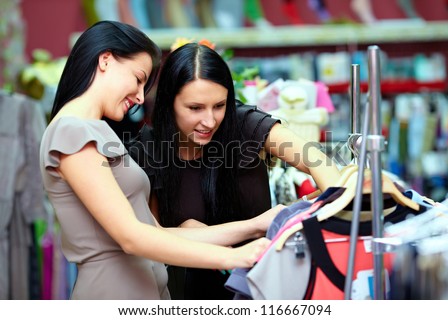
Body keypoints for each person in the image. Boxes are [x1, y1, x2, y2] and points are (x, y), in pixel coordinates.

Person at [39, 20, 285, 300]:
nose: (141, 97)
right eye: (138, 78)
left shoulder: (94, 131)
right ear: (106, 60)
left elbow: (156, 233)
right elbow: (132, 238)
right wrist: (233, 258)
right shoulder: (71, 132)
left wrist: (257, 224)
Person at [128, 42, 342, 299]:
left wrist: (337, 202)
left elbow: (315, 160)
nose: (209, 121)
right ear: (168, 102)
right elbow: (152, 237)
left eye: (219, 105)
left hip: (266, 288)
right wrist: (255, 226)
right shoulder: (148, 149)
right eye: (195, 108)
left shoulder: (243, 123)